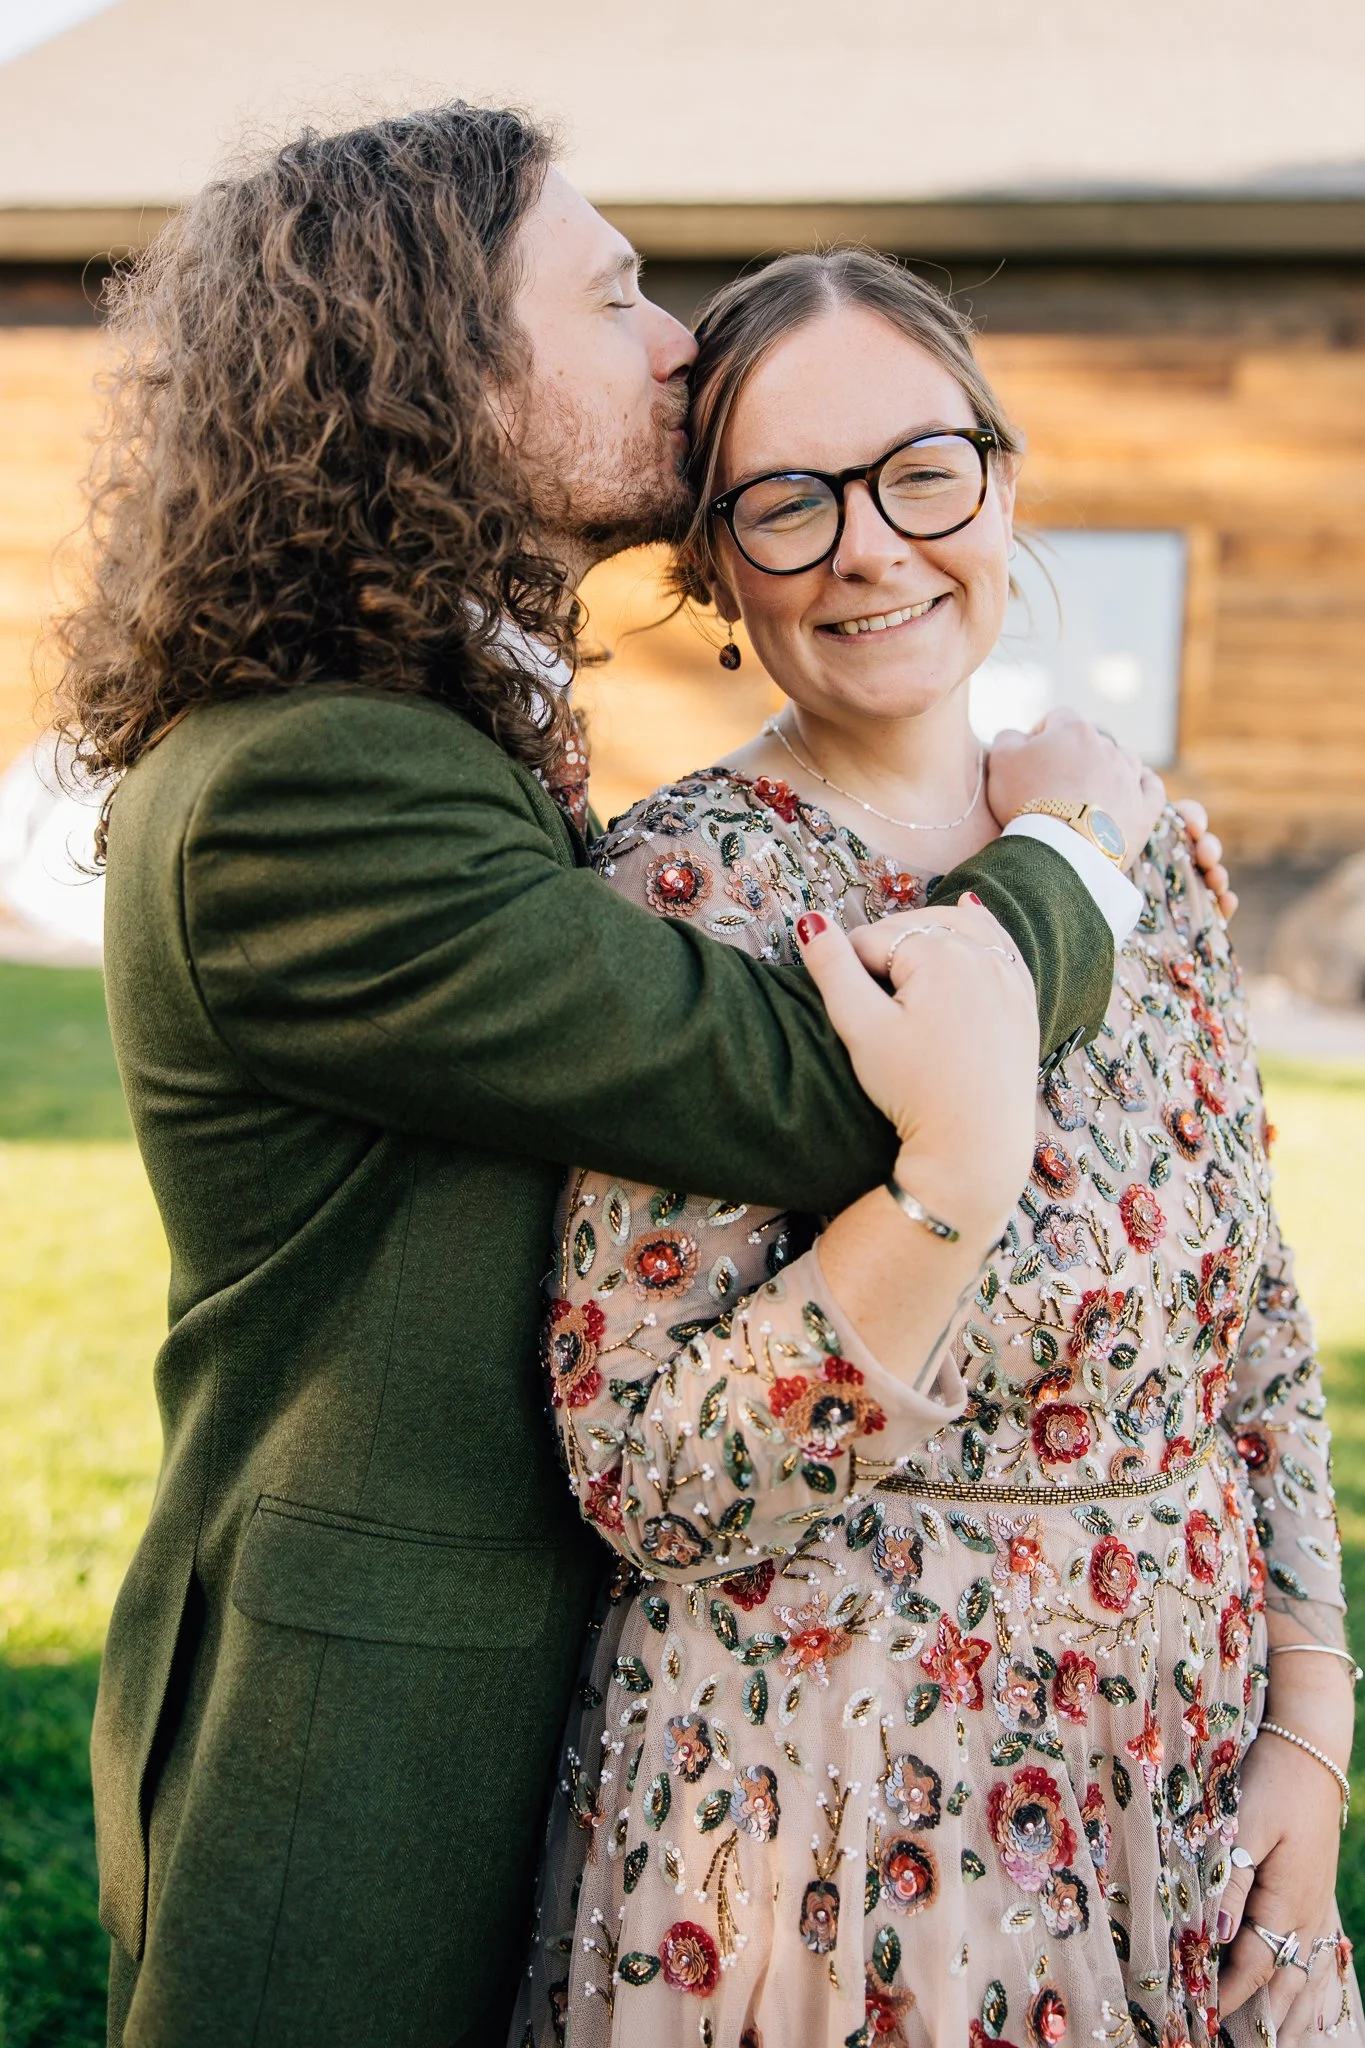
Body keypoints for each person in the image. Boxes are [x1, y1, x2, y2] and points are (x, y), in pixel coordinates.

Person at [53, 106, 1215, 2048]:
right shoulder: (307, 784)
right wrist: (1076, 856)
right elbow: (782, 1073)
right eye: (611, 297)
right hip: (365, 1722)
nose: (679, 342)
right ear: (437, 366)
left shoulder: (423, 729)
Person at [513, 250, 1359, 2048]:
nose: (873, 547)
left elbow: (1263, 1346)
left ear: (1000, 475)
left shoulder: (1143, 848)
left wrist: (1314, 1729)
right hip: (850, 1818)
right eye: (790, 503)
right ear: (718, 566)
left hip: (1189, 1788)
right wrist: (930, 1202)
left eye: (921, 471)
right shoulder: (683, 900)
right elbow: (648, 1469)